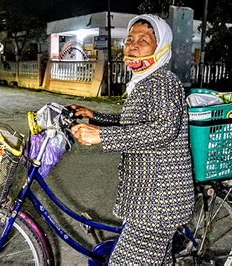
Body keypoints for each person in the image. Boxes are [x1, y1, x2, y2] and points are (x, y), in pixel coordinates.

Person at [70, 14, 194, 264]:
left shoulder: (163, 81)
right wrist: (96, 117)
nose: (133, 45)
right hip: (149, 197)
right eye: (129, 39)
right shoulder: (145, 81)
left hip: (159, 201)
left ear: (161, 47)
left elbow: (164, 129)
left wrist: (101, 136)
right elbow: (138, 125)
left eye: (144, 40)